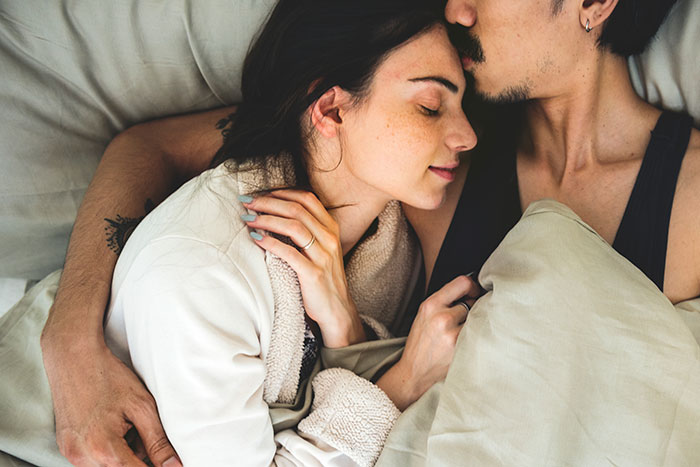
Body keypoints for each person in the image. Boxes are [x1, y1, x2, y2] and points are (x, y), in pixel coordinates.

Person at [38, 0, 699, 464]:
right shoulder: (424, 145)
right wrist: (71, 335)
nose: (456, 9)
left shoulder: (691, 195)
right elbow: (148, 149)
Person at [31, 0, 481, 465]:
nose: (468, 136)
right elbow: (147, 149)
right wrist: (401, 385)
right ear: (331, 110)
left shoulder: (389, 237)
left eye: (462, 103)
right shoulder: (204, 275)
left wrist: (346, 329)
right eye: (430, 107)